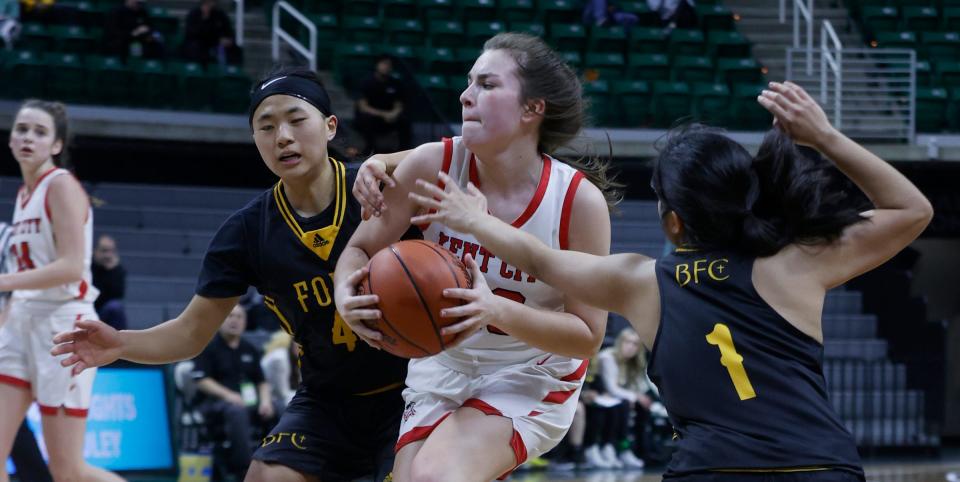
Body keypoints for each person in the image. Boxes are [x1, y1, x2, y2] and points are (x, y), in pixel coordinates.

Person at [396, 81, 934, 481]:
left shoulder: (642, 282)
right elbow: (911, 210)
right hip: (821, 465)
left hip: (711, 470)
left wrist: (473, 221)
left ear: (671, 219)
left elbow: (539, 260)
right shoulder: (796, 264)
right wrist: (824, 136)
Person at [52, 66, 416, 482]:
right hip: (327, 401)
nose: (282, 136)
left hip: (410, 390)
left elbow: (461, 151)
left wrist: (385, 159)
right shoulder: (245, 232)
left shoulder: (376, 186)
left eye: (297, 120)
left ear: (330, 126)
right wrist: (120, 344)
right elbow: (190, 333)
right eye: (266, 126)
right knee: (265, 477)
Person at [334, 32, 618, 481]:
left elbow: (587, 335)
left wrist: (496, 309)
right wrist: (344, 297)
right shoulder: (432, 165)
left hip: (531, 368)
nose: (466, 95)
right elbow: (359, 250)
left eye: (487, 84)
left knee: (435, 477)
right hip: (443, 361)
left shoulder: (577, 203)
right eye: (469, 82)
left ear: (532, 109)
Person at [0, 99, 123, 482]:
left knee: (67, 470)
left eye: (39, 132)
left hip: (64, 326)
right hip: (23, 322)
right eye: (21, 129)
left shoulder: (62, 185)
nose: (27, 138)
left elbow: (71, 266)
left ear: (56, 145)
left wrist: (3, 283)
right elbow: (26, 272)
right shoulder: (24, 194)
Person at [192, 304, 274, 481]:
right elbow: (202, 380)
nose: (234, 321)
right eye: (230, 316)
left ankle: (276, 462)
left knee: (280, 408)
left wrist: (266, 401)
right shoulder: (209, 347)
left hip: (248, 403)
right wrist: (229, 396)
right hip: (215, 405)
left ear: (245, 322)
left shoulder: (249, 348)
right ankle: (244, 470)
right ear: (221, 320)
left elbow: (262, 381)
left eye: (239, 317)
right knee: (236, 411)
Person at [594, 328, 650, 468]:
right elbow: (611, 388)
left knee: (643, 408)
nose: (631, 347)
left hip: (619, 399)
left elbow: (640, 386)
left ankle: (635, 450)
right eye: (628, 342)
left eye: (635, 344)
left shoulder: (633, 363)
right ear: (620, 342)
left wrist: (637, 397)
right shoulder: (608, 357)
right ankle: (613, 448)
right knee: (624, 405)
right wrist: (634, 396)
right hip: (600, 395)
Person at [353, 56, 412, 155]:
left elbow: (399, 105)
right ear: (377, 65)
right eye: (384, 64)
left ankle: (403, 153)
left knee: (404, 121)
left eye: (389, 65)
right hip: (373, 116)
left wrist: (393, 114)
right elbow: (363, 107)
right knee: (366, 119)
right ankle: (369, 151)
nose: (387, 67)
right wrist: (384, 114)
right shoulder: (366, 82)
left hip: (389, 117)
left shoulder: (395, 83)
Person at [181, 0, 242, 66]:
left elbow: (228, 31)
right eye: (208, 2)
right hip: (198, 42)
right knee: (196, 48)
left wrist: (228, 40)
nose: (210, 5)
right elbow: (191, 33)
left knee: (234, 49)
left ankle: (231, 71)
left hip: (217, 43)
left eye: (212, 2)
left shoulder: (220, 15)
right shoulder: (194, 14)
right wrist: (204, 19)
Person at [91, 234, 127, 330]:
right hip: (89, 308)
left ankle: (120, 341)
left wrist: (112, 271)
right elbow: (94, 294)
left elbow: (118, 294)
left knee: (115, 307)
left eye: (111, 251)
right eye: (104, 250)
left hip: (105, 312)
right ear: (95, 251)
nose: (107, 255)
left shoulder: (117, 270)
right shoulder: (88, 267)